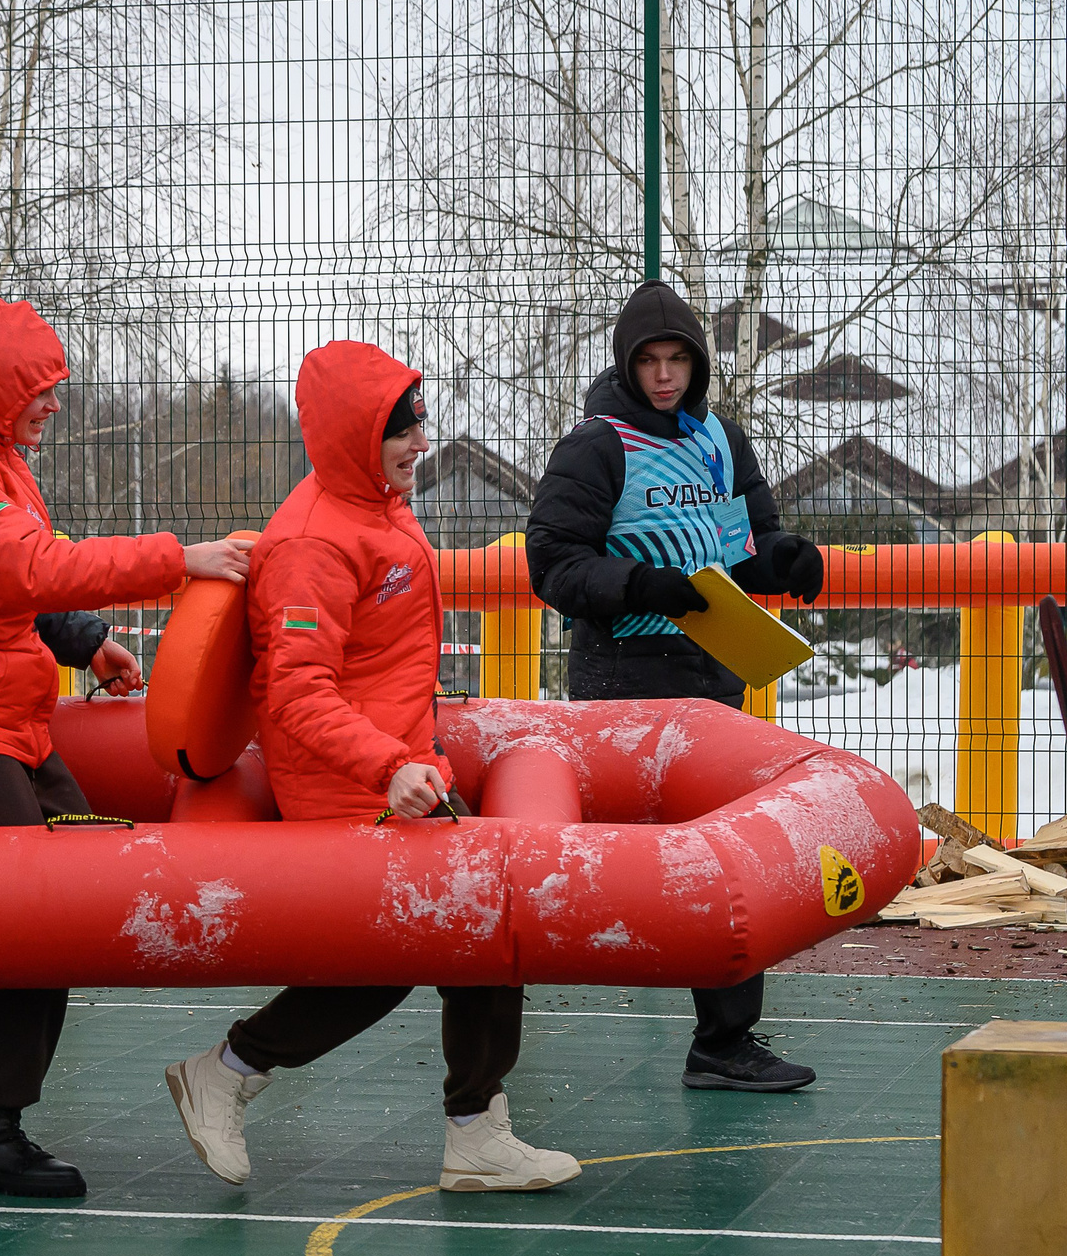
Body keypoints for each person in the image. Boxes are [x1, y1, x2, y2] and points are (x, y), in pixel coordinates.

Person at [164, 344, 582, 1193]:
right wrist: (389, 763)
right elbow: (295, 693)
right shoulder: (313, 541)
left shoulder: (381, 505)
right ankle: (246, 1071)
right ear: (359, 436)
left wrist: (412, 755)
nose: (421, 439)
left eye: (420, 419)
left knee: (464, 938)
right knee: (453, 932)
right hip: (349, 787)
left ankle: (468, 1125)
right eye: (403, 427)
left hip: (401, 774)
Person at [0, 298, 253, 1198]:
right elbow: (34, 566)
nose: (52, 405)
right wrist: (177, 560)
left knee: (71, 894)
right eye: (40, 391)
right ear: (0, 389)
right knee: (40, 912)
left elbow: (10, 582)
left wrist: (82, 641)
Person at [523, 280, 824, 1093]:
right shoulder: (597, 443)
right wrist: (639, 585)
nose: (665, 376)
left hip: (712, 674)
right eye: (650, 362)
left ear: (698, 363)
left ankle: (726, 1041)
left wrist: (787, 561)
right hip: (624, 679)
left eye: (678, 360)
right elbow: (550, 561)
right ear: (627, 366)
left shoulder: (722, 439)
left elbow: (747, 545)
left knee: (723, 855)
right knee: (612, 864)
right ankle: (500, 1008)